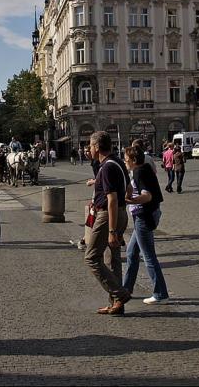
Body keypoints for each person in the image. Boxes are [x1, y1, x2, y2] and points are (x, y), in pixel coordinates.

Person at [85, 130, 131, 315]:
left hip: (108, 216)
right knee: (113, 259)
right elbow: (127, 189)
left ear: (97, 146)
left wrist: (112, 231)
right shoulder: (118, 162)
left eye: (90, 145)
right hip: (120, 213)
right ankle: (116, 304)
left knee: (92, 257)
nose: (88, 149)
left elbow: (111, 199)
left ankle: (120, 294)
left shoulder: (106, 167)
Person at [121, 145, 169, 305]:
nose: (125, 162)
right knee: (131, 252)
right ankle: (126, 288)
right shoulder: (146, 167)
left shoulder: (139, 172)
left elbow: (147, 196)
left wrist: (130, 200)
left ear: (134, 160)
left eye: (127, 160)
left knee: (148, 256)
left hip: (144, 216)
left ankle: (160, 292)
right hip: (148, 214)